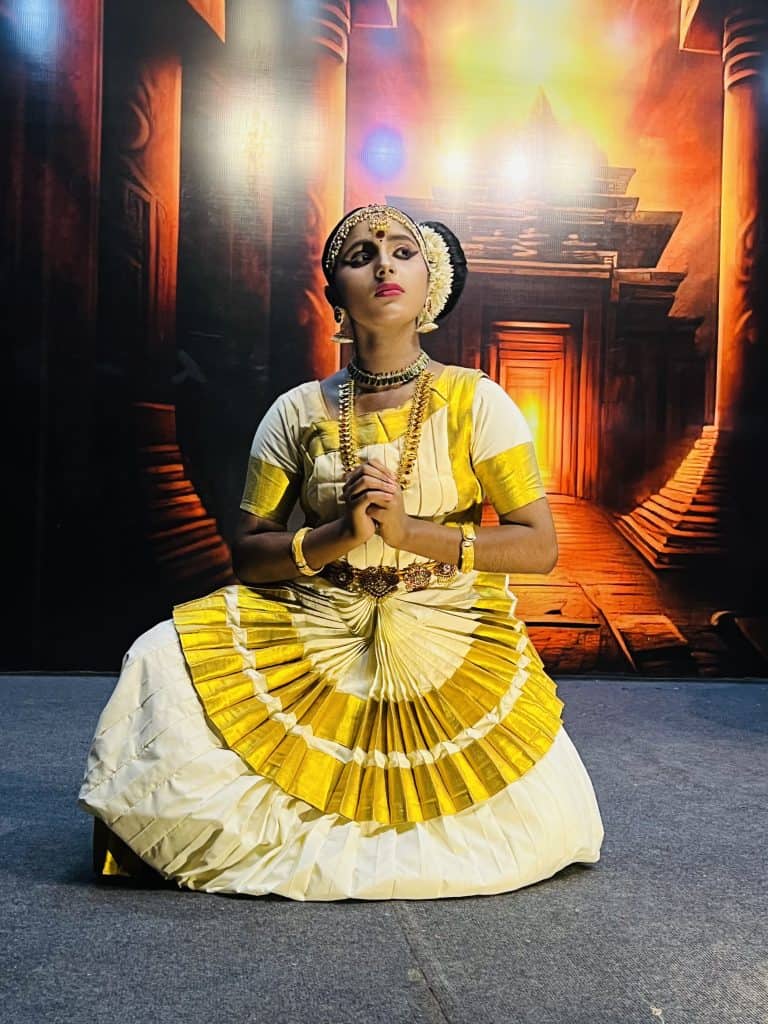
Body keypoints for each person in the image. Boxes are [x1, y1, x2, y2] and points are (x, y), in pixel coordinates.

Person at [78, 203, 604, 901]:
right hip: (321, 613)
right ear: (335, 296)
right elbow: (249, 551)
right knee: (157, 657)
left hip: (443, 622)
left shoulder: (477, 401)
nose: (384, 263)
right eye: (360, 255)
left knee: (532, 822)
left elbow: (539, 547)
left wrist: (413, 533)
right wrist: (338, 537)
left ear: (429, 283)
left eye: (403, 252)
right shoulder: (297, 411)